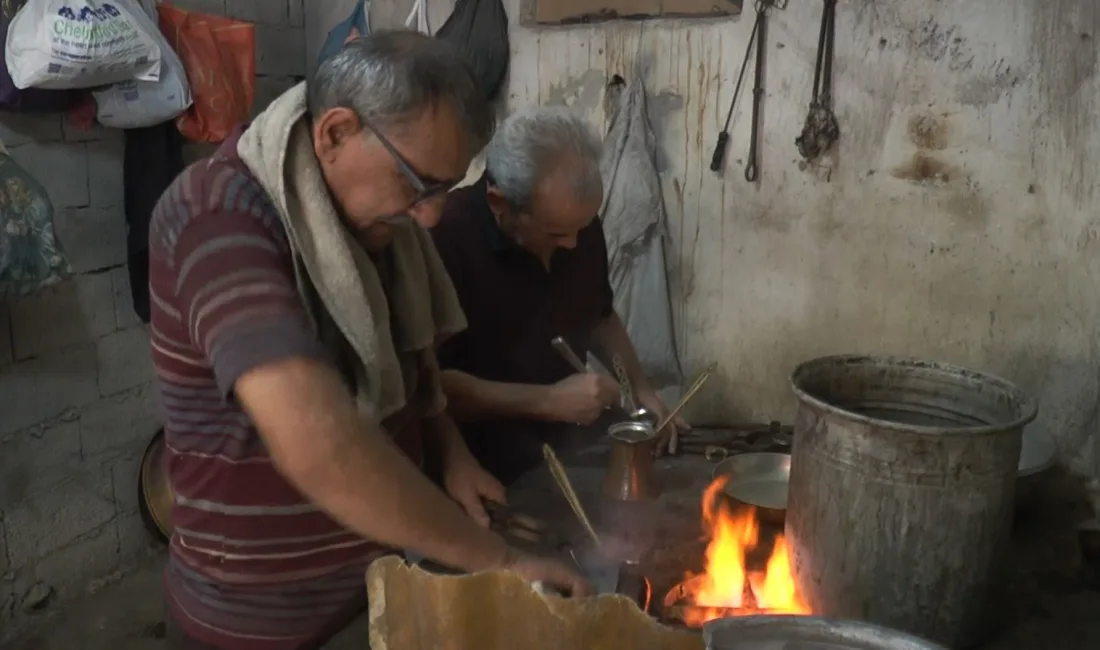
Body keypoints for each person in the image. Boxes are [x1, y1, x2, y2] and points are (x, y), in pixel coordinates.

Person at [147, 32, 587, 650]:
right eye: (419, 182)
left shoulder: (374, 223)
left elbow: (413, 370)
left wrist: (450, 451)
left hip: (373, 592)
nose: (430, 217)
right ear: (334, 133)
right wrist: (499, 561)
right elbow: (319, 445)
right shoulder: (218, 218)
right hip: (256, 628)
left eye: (443, 189)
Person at [431, 107, 688, 486]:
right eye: (554, 233)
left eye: (580, 229)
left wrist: (641, 389)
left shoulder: (577, 223)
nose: (572, 244)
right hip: (478, 462)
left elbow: (600, 315)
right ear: (500, 204)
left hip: (568, 447)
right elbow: (429, 387)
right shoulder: (444, 237)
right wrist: (547, 401)